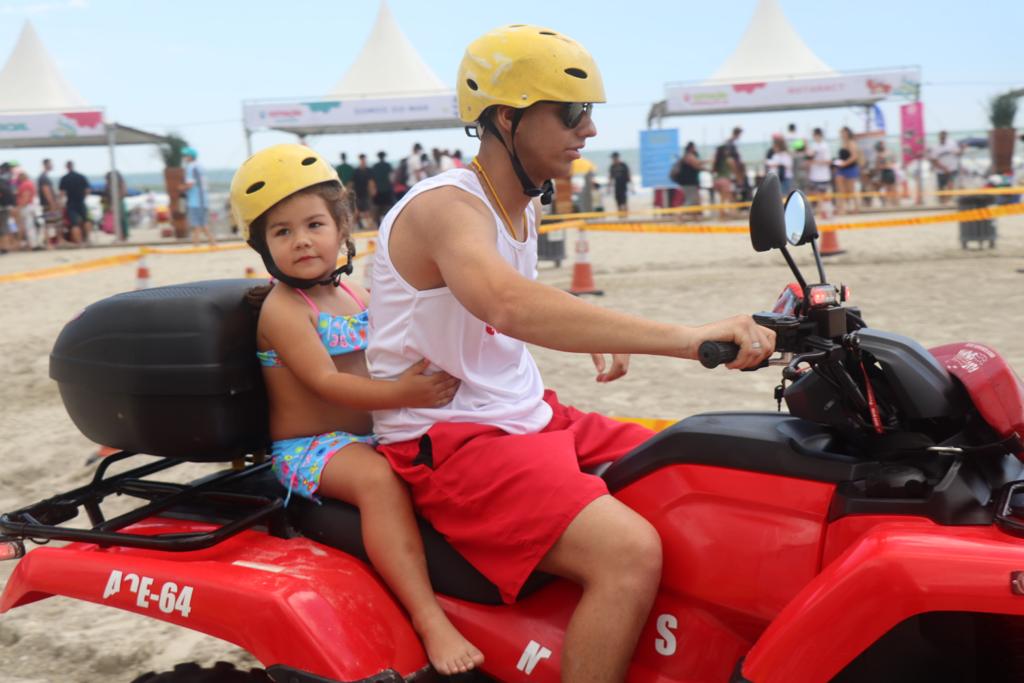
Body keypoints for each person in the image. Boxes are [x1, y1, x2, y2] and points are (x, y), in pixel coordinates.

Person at [366, 25, 774, 683]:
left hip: (523, 414)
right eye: (571, 112)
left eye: (589, 113)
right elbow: (505, 301)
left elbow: (506, 298)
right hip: (452, 438)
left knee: (698, 463)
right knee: (629, 551)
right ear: (507, 117)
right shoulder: (446, 207)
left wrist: (598, 328)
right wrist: (687, 337)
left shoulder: (517, 203)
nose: (587, 130)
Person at [229, 144, 483, 675]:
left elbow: (402, 340)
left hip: (371, 432)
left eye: (314, 224)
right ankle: (428, 618)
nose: (301, 240)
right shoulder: (282, 309)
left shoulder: (356, 292)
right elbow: (326, 383)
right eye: (282, 231)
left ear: (342, 228)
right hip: (312, 449)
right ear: (263, 246)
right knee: (380, 484)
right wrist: (406, 395)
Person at [181, 147, 216, 246]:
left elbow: (190, 184)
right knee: (202, 223)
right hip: (203, 199)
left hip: (195, 200)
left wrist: (181, 188)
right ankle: (211, 242)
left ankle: (196, 244)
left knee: (197, 224)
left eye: (185, 155)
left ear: (190, 156)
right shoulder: (200, 166)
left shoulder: (191, 167)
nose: (184, 157)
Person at [58, 160, 90, 245]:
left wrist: (60, 204)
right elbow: (87, 190)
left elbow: (62, 193)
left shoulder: (64, 178)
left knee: (74, 224)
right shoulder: (81, 177)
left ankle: (78, 241)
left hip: (71, 203)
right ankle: (87, 239)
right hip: (81, 201)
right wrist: (83, 198)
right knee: (86, 220)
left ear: (67, 167)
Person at [805, 128, 833, 218]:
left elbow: (828, 161)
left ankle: (825, 212)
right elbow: (808, 158)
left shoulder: (824, 146)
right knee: (816, 195)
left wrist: (814, 162)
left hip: (823, 175)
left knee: (823, 195)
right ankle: (821, 212)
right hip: (814, 175)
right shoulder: (813, 145)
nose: (814, 137)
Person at [671, 142, 704, 219]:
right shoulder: (689, 156)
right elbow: (697, 164)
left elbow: (697, 165)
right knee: (691, 200)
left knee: (694, 199)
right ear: (691, 148)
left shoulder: (686, 156)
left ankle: (695, 217)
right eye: (694, 147)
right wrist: (709, 163)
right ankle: (679, 214)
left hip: (688, 182)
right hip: (689, 182)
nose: (695, 148)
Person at [833, 126, 861, 214]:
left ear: (848, 134)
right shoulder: (843, 143)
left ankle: (856, 208)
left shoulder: (851, 143)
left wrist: (844, 163)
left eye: (844, 133)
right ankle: (841, 209)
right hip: (841, 169)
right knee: (840, 189)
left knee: (851, 190)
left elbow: (854, 156)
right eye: (841, 133)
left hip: (850, 168)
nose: (842, 134)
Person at [929, 130, 962, 203]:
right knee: (941, 187)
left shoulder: (952, 144)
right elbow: (934, 160)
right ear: (939, 137)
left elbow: (958, 153)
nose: (943, 138)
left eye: (944, 136)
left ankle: (949, 199)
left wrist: (961, 150)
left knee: (950, 183)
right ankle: (942, 200)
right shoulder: (935, 147)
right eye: (941, 137)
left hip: (952, 168)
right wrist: (943, 168)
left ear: (946, 137)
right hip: (941, 170)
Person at [15, 168, 39, 250]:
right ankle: (33, 244)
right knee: (30, 226)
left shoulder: (25, 184)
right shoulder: (29, 183)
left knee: (28, 226)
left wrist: (19, 207)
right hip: (30, 206)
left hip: (26, 207)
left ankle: (32, 245)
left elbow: (26, 197)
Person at [38, 159, 58, 249]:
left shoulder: (44, 177)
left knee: (49, 223)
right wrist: (52, 204)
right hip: (47, 205)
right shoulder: (44, 178)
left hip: (47, 204)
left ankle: (49, 242)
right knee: (49, 224)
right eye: (50, 164)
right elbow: (46, 192)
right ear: (46, 165)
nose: (52, 165)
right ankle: (48, 243)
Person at [371, 151, 395, 226]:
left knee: (378, 209)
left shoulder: (375, 166)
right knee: (388, 209)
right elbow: (391, 178)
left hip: (378, 190)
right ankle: (387, 224)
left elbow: (372, 179)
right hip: (387, 189)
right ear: (384, 157)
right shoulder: (388, 165)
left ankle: (378, 225)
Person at [712, 143, 736, 219]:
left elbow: (713, 170)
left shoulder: (716, 160)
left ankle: (724, 214)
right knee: (727, 198)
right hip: (725, 180)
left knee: (723, 198)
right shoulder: (728, 159)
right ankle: (723, 215)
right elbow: (734, 168)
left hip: (717, 180)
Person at [874, 140, 899, 207]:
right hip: (888, 171)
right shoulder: (885, 153)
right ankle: (893, 203)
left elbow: (878, 166)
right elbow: (893, 162)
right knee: (890, 188)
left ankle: (892, 203)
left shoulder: (881, 155)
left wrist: (884, 166)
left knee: (890, 188)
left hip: (888, 171)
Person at [351, 154, 373, 228]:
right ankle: (356, 227)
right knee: (357, 211)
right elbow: (352, 182)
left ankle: (368, 227)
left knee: (367, 211)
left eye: (363, 159)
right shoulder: (356, 171)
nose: (363, 161)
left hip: (365, 193)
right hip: (358, 193)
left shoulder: (368, 170)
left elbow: (371, 182)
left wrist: (372, 191)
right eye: (362, 160)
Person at [0, 162, 15, 253]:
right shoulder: (7, 180)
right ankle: (6, 247)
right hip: (6, 206)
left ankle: (4, 247)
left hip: (2, 206)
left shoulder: (3, 179)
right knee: (5, 226)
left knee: (3, 227)